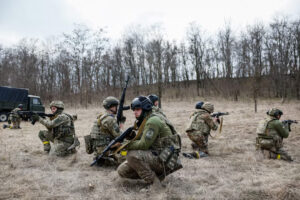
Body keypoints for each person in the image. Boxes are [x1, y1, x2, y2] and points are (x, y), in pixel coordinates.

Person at [117, 96, 182, 186]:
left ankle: (155, 184)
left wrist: (125, 145)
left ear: (145, 108)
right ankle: (156, 176)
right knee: (122, 170)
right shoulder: (146, 118)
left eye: (137, 109)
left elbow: (144, 145)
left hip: (166, 159)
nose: (135, 112)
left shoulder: (153, 121)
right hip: (157, 154)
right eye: (134, 110)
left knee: (131, 155)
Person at [84, 96, 125, 166]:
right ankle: (108, 160)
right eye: (116, 106)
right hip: (106, 150)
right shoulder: (110, 119)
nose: (117, 108)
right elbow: (120, 136)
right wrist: (121, 126)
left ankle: (103, 159)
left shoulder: (101, 116)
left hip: (99, 149)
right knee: (125, 151)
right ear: (111, 107)